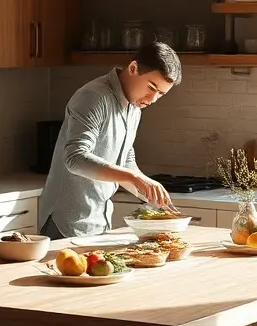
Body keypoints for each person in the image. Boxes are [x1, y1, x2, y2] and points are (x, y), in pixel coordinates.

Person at [39, 42, 181, 239]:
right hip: (65, 223)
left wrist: (149, 190)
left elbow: (126, 161)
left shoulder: (134, 108)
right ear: (133, 68)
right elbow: (75, 158)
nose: (153, 99)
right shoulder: (93, 97)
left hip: (100, 221)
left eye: (161, 93)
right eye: (151, 87)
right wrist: (134, 178)